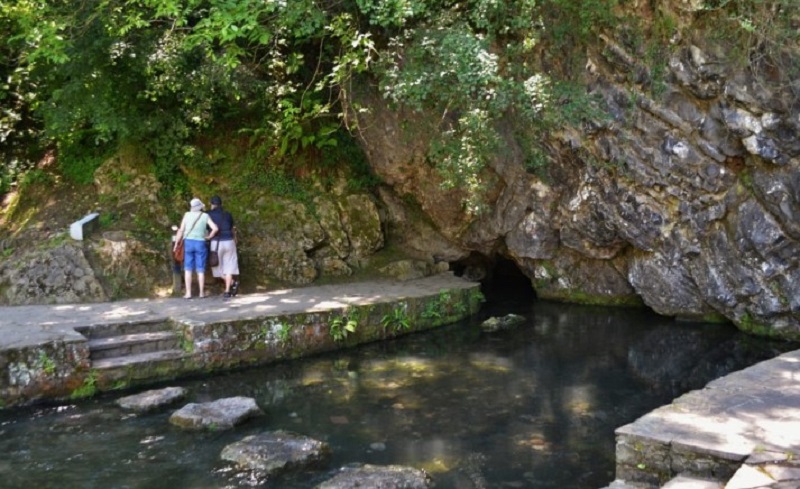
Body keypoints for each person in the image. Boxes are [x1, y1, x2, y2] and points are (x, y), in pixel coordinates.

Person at [174, 197, 218, 299]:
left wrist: (176, 244)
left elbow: (181, 230)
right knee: (200, 269)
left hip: (188, 242)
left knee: (188, 269)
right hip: (200, 243)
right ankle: (201, 293)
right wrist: (209, 236)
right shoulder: (205, 216)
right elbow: (215, 228)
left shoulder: (187, 215)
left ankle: (188, 293)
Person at [207, 195, 240, 299]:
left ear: (212, 204)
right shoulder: (228, 214)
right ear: (221, 204)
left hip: (216, 242)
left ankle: (233, 283)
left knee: (216, 266)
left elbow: (208, 228)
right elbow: (231, 227)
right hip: (229, 241)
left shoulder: (208, 214)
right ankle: (227, 291)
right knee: (229, 267)